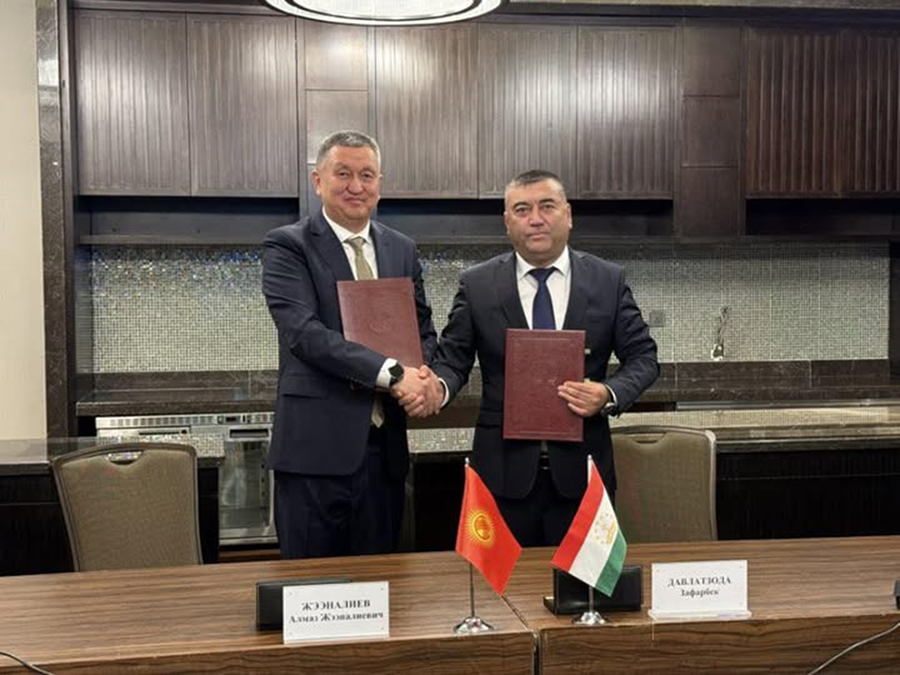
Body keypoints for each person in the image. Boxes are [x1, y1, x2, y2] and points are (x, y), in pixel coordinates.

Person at [432, 169, 659, 547]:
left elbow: (644, 358)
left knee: (583, 583)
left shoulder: (607, 280)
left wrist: (608, 393)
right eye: (522, 210)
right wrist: (435, 387)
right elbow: (453, 360)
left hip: (583, 476)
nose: (535, 219)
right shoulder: (477, 284)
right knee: (503, 582)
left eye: (547, 206)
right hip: (502, 476)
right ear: (507, 222)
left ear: (567, 215)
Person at [262, 130, 441, 559]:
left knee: (380, 585)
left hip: (384, 455)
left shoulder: (401, 249)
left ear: (380, 182)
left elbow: (422, 329)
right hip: (314, 454)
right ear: (318, 180)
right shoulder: (288, 245)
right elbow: (305, 334)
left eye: (367, 175)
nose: (356, 186)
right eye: (343, 174)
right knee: (310, 586)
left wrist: (424, 377)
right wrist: (394, 374)